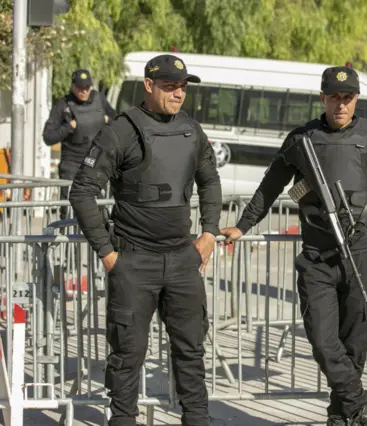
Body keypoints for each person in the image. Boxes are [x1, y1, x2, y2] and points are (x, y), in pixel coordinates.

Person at [220, 66, 367, 426]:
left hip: (361, 255)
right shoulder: (302, 140)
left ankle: (341, 416)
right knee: (321, 339)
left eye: (347, 98)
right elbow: (270, 187)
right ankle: (358, 403)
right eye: (334, 97)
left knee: (354, 346)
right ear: (323, 98)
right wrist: (242, 225)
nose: (341, 104)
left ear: (356, 100)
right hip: (317, 258)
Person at [68, 54, 222, 426]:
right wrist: (107, 253)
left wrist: (210, 231)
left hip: (182, 261)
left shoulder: (191, 130)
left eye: (183, 87)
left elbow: (210, 181)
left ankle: (197, 420)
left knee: (191, 352)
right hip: (134, 262)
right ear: (149, 85)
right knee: (127, 357)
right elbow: (83, 191)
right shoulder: (121, 130)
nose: (178, 93)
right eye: (170, 86)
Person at [43, 69, 117, 218]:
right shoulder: (63, 105)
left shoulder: (99, 99)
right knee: (69, 209)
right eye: (80, 88)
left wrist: (107, 121)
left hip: (96, 162)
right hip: (71, 164)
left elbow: (117, 120)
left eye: (87, 88)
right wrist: (68, 127)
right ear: (73, 86)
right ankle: (65, 239)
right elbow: (48, 137)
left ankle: (99, 240)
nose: (84, 91)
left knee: (98, 209)